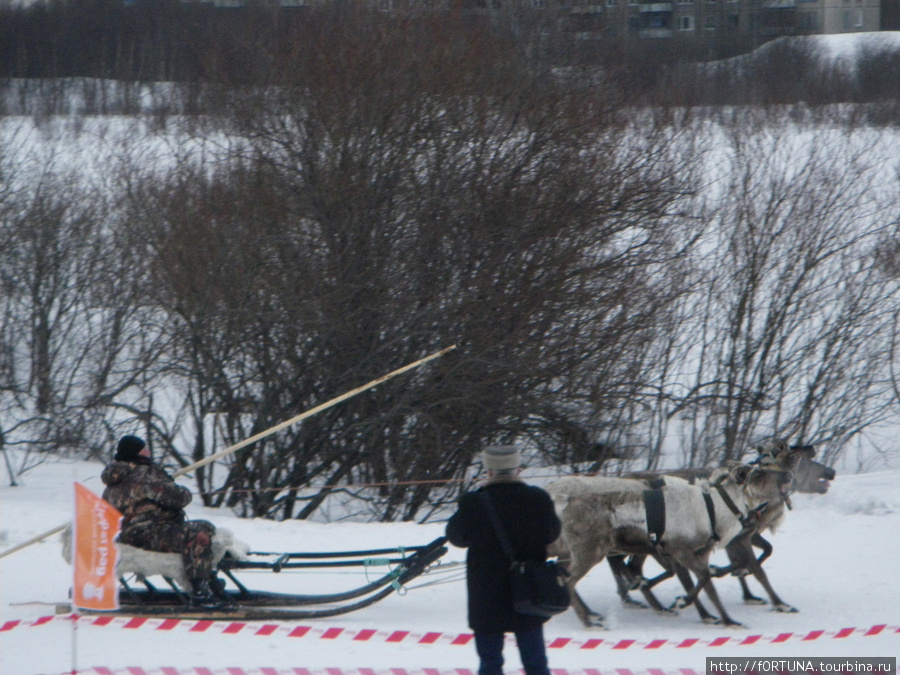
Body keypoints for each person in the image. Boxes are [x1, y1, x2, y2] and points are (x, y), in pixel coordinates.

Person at [446, 445, 562, 675]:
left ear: (488, 471)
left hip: (487, 591)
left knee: (490, 662)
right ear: (518, 469)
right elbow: (552, 534)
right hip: (529, 587)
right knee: (536, 662)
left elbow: (456, 537)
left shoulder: (473, 502)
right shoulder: (538, 499)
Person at [101, 434, 221, 608]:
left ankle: (209, 579)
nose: (149, 452)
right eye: (145, 449)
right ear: (138, 454)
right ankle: (201, 592)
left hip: (125, 537)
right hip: (149, 536)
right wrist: (170, 482)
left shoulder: (112, 480)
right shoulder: (145, 475)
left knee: (203, 526)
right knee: (198, 534)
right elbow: (180, 498)